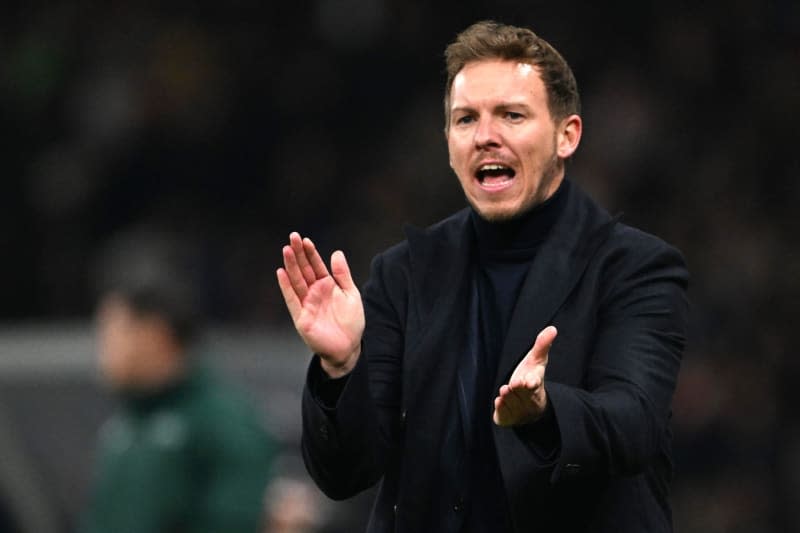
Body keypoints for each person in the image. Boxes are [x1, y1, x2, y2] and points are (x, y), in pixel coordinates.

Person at [277, 20, 688, 533]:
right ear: (448, 142)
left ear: (567, 135)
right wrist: (340, 371)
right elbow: (345, 475)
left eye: (512, 116)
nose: (486, 136)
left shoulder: (634, 268)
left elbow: (635, 424)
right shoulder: (403, 274)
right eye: (466, 119)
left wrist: (546, 411)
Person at [81, 233, 277, 533]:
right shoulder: (125, 424)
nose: (102, 348)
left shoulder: (223, 423)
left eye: (112, 331)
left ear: (155, 334)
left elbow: (237, 520)